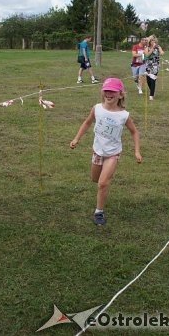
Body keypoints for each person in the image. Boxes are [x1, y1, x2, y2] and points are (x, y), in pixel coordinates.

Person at [69, 78, 142, 226]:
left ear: (120, 95)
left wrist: (137, 151)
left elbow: (134, 132)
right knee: (95, 179)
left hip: (113, 154)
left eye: (112, 91)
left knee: (102, 183)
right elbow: (87, 122)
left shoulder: (124, 115)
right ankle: (105, 180)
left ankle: (99, 212)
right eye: (106, 91)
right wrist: (77, 138)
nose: (109, 94)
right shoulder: (97, 108)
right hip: (97, 152)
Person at [144, 35, 164, 100]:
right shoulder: (147, 47)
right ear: (150, 41)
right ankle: (152, 91)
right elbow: (147, 55)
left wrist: (161, 52)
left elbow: (162, 52)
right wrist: (152, 48)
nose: (153, 41)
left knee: (153, 80)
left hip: (155, 65)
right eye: (152, 40)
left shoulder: (158, 47)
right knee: (148, 80)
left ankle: (151, 95)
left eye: (154, 40)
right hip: (148, 65)